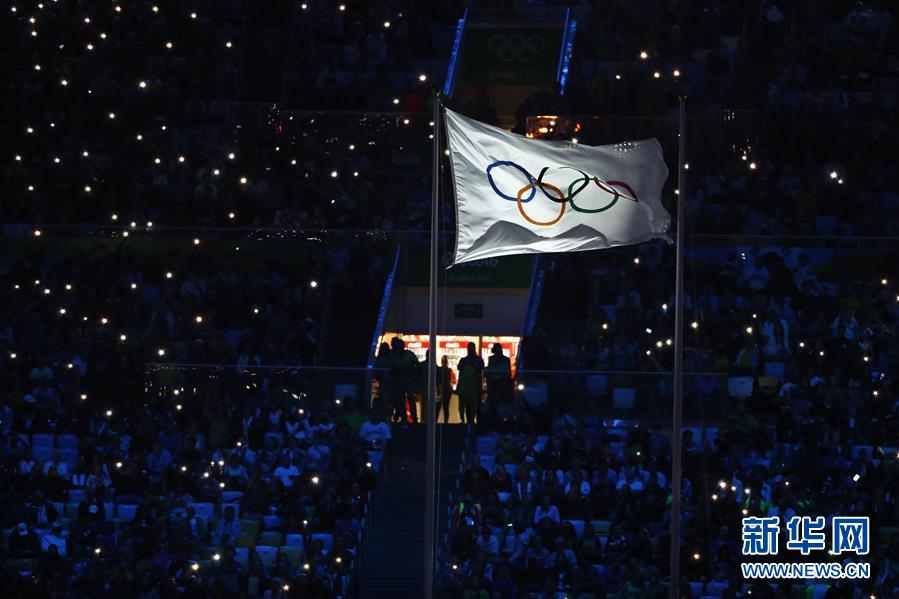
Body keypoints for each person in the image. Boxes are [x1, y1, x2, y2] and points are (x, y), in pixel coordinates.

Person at [389, 337, 419, 423]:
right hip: (399, 381)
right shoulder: (395, 355)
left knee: (409, 399)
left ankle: (413, 417)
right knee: (402, 400)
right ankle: (405, 417)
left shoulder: (407, 354)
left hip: (407, 380)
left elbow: (416, 365)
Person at [456, 342, 484, 424]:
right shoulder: (478, 360)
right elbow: (481, 369)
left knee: (465, 406)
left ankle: (465, 421)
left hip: (465, 387)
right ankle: (472, 422)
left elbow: (459, 368)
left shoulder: (464, 360)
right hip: (474, 387)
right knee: (474, 407)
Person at [484, 343, 512, 407]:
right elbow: (508, 373)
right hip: (500, 383)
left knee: (495, 402)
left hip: (496, 383)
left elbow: (490, 370)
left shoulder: (492, 359)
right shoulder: (505, 359)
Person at [437, 355, 454, 424]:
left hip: (440, 389)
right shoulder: (449, 370)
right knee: (446, 407)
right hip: (448, 389)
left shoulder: (439, 370)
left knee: (438, 407)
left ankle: (435, 422)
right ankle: (446, 422)